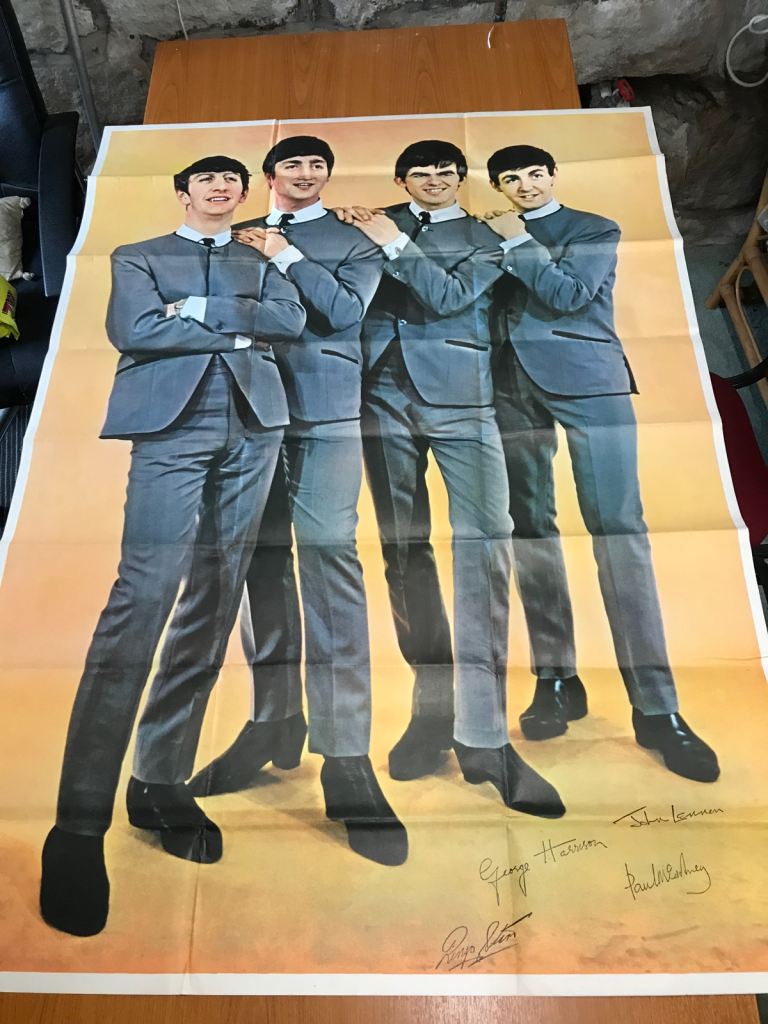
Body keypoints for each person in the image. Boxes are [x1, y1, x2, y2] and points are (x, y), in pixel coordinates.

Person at [39, 155, 305, 937]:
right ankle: (77, 825)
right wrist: (238, 321)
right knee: (144, 597)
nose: (222, 188)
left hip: (257, 427)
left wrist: (195, 309)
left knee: (215, 601)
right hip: (170, 429)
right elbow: (134, 330)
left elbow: (291, 322)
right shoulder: (139, 256)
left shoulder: (262, 252)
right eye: (207, 180)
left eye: (233, 181)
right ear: (183, 193)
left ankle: (158, 781)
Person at [138, 137, 406, 867]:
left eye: (318, 165)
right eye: (293, 165)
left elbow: (342, 314)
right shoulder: (230, 231)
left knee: (329, 562)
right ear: (269, 175)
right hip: (242, 409)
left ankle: (346, 759)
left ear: (328, 175)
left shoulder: (354, 237)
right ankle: (273, 720)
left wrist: (286, 258)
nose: (306, 174)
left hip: (324, 412)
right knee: (252, 564)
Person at [340, 139, 564, 817]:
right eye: (422, 172)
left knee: (486, 546)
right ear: (401, 178)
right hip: (378, 395)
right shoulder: (367, 220)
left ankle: (485, 735)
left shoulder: (490, 233)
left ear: (461, 179)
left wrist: (390, 241)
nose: (435, 179)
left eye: (447, 171)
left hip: (463, 398)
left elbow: (448, 297)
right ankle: (432, 711)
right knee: (402, 550)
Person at [483, 143, 719, 783]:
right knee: (529, 531)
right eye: (512, 178)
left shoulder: (593, 229)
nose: (525, 185)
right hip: (508, 389)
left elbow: (568, 294)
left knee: (619, 531)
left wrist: (513, 239)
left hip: (591, 383)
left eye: (535, 174)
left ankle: (657, 709)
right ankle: (557, 679)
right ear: (499, 186)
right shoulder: (487, 229)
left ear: (553, 176)